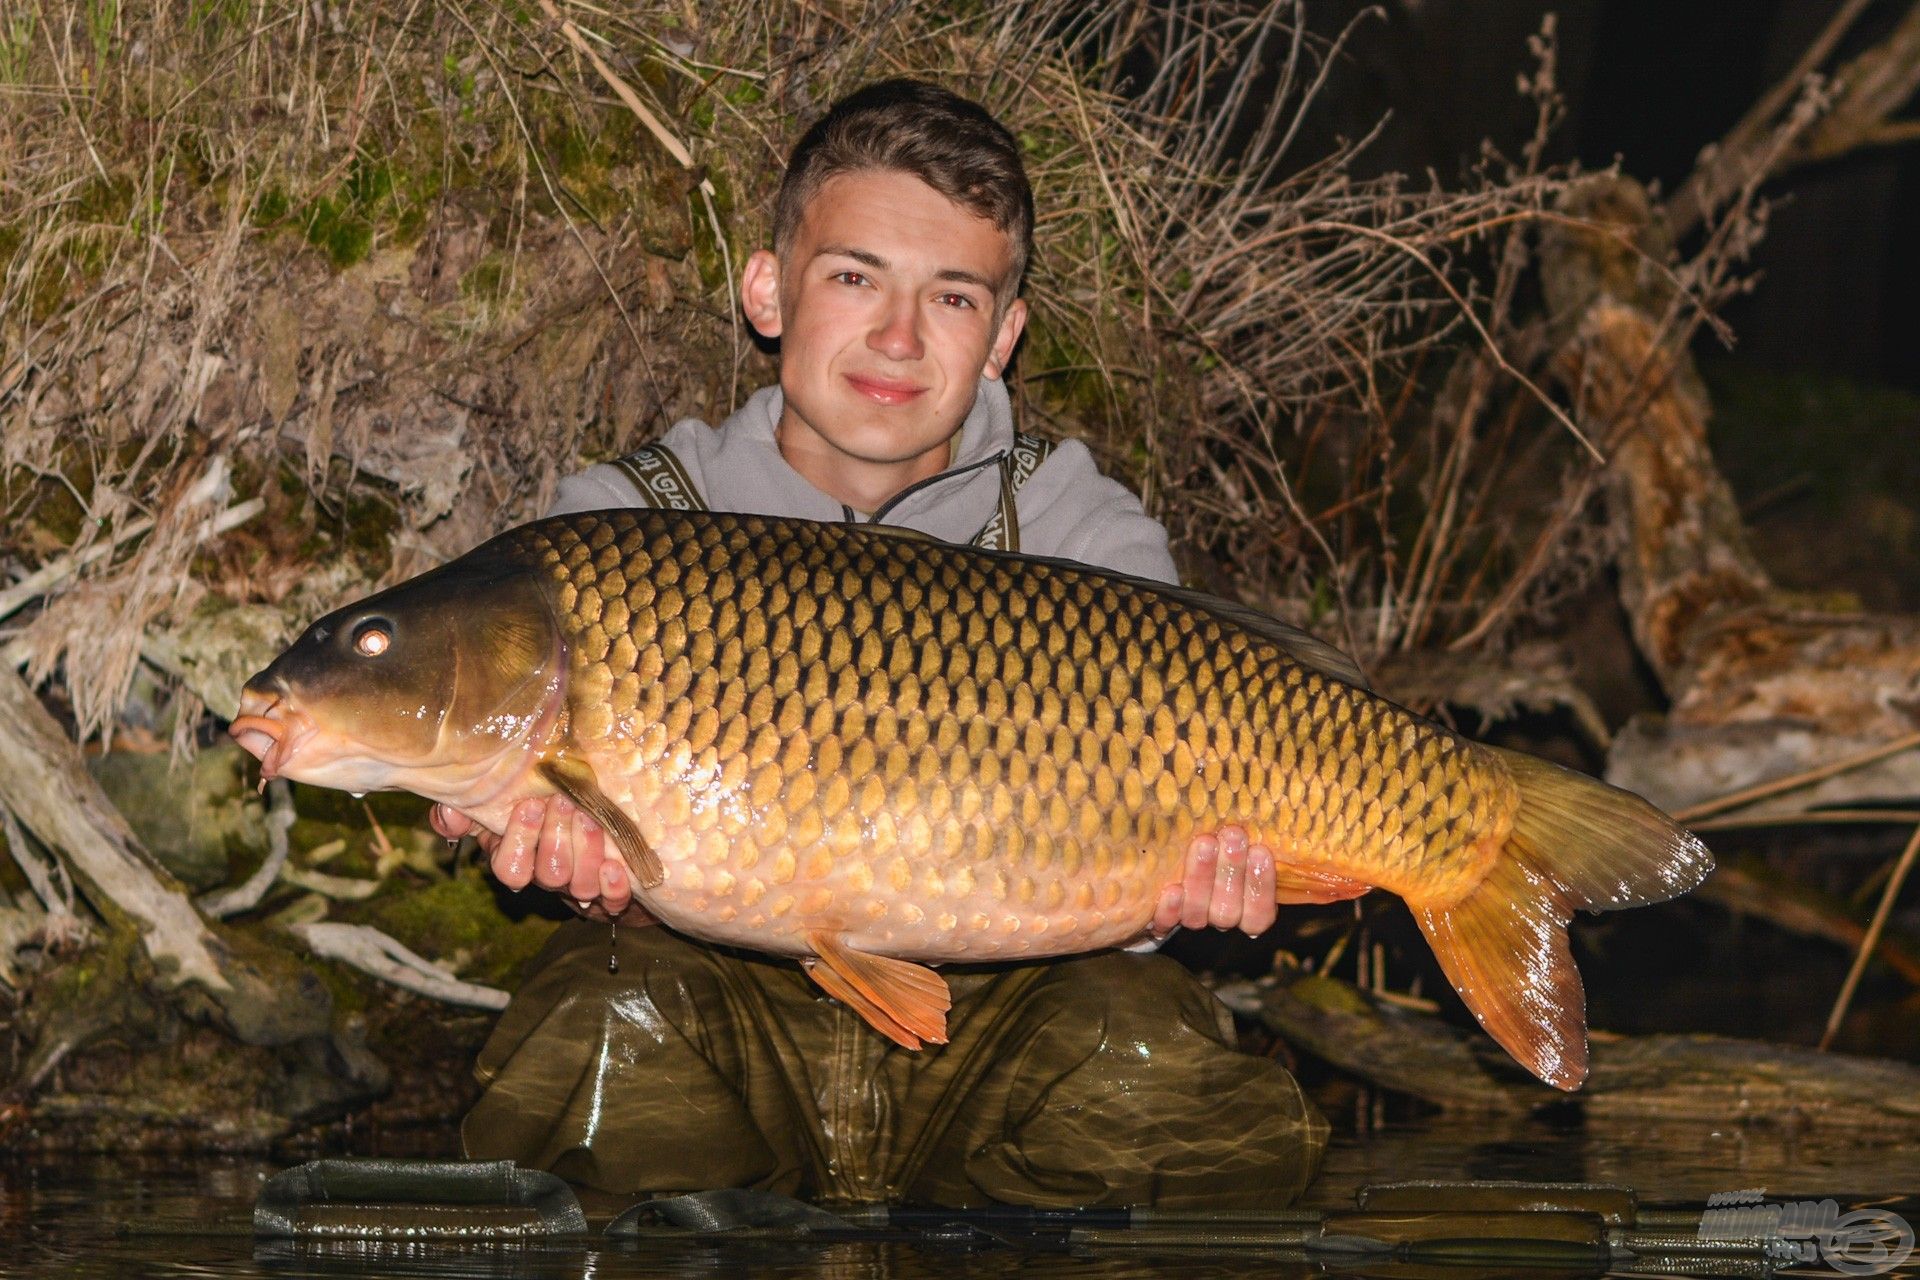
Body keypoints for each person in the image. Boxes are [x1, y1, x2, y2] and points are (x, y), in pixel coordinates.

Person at [433, 79, 1327, 1209]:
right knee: (598, 1029)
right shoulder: (623, 529)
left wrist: (1179, 900)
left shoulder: (1078, 533)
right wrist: (594, 886)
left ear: (1002, 335)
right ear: (768, 290)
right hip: (731, 1018)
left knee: (1171, 1084)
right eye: (853, 277)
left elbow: (1141, 852)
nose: (898, 339)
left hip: (1004, 1032)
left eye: (951, 298)